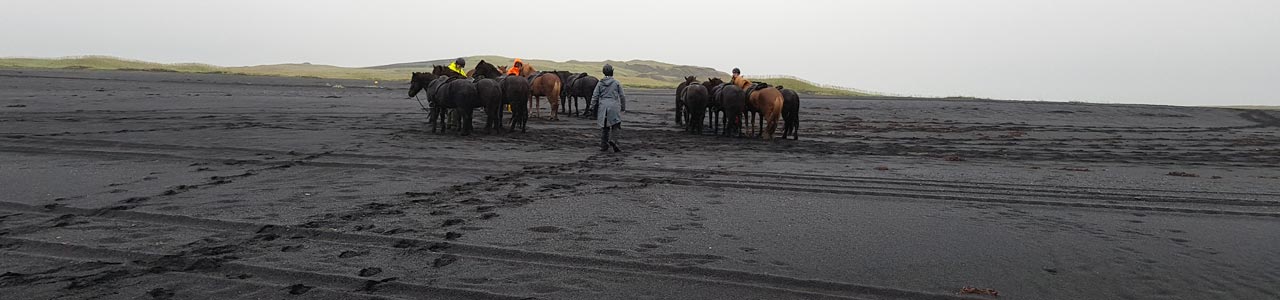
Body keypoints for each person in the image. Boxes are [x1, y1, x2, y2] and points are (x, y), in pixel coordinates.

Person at [591, 64, 626, 152]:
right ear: (612, 72)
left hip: (603, 106)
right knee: (616, 125)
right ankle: (614, 140)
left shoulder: (600, 83)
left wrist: (592, 106)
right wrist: (623, 107)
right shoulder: (616, 83)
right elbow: (622, 96)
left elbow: (595, 95)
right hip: (613, 105)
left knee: (604, 127)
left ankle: (604, 145)